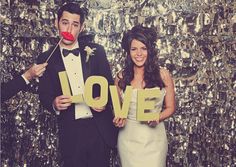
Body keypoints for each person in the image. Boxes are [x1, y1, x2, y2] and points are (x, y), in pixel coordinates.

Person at [37, 3, 118, 167]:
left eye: (75, 25)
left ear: (82, 27)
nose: (69, 29)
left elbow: (110, 87)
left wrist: (104, 101)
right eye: (65, 23)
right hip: (71, 132)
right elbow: (44, 95)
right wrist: (54, 103)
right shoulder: (46, 59)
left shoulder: (97, 51)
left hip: (99, 129)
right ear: (56, 22)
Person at [113, 25, 176, 167]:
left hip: (154, 140)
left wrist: (158, 117)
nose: (139, 53)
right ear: (128, 52)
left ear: (150, 50)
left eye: (143, 48)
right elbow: (118, 110)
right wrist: (118, 119)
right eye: (134, 49)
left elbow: (171, 107)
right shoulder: (120, 78)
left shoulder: (163, 75)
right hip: (128, 140)